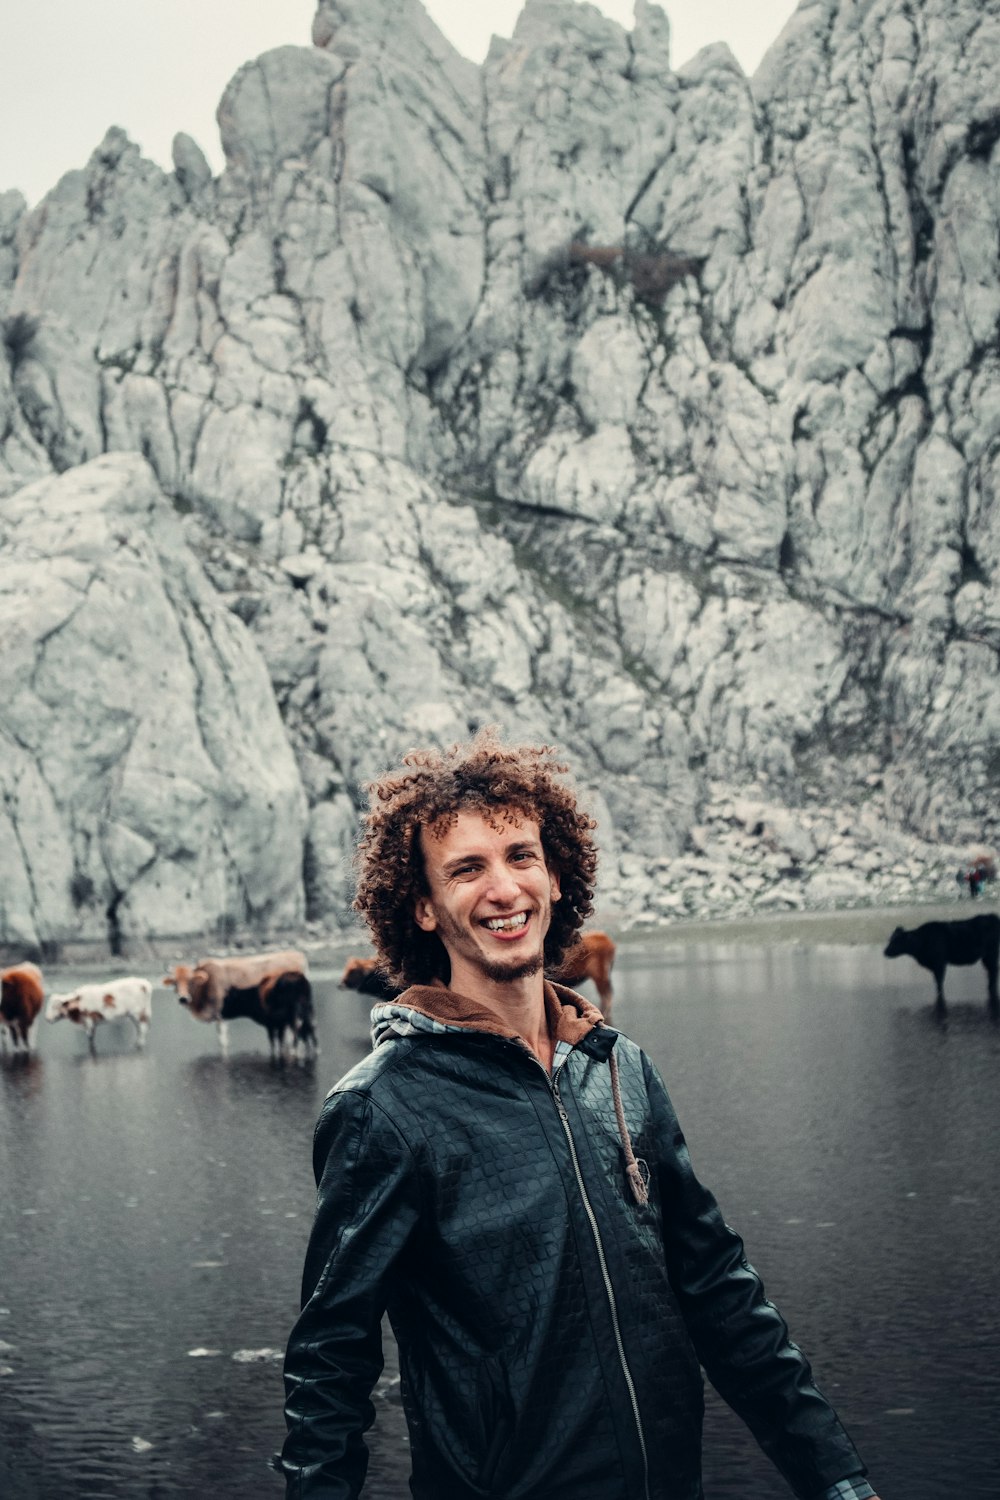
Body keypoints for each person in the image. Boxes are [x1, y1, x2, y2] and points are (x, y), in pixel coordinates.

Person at [280, 731, 882, 1500]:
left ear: (557, 876)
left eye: (521, 856)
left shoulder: (619, 1067)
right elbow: (330, 1362)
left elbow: (721, 1292)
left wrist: (835, 1476)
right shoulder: (383, 1109)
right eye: (467, 869)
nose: (504, 889)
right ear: (424, 909)